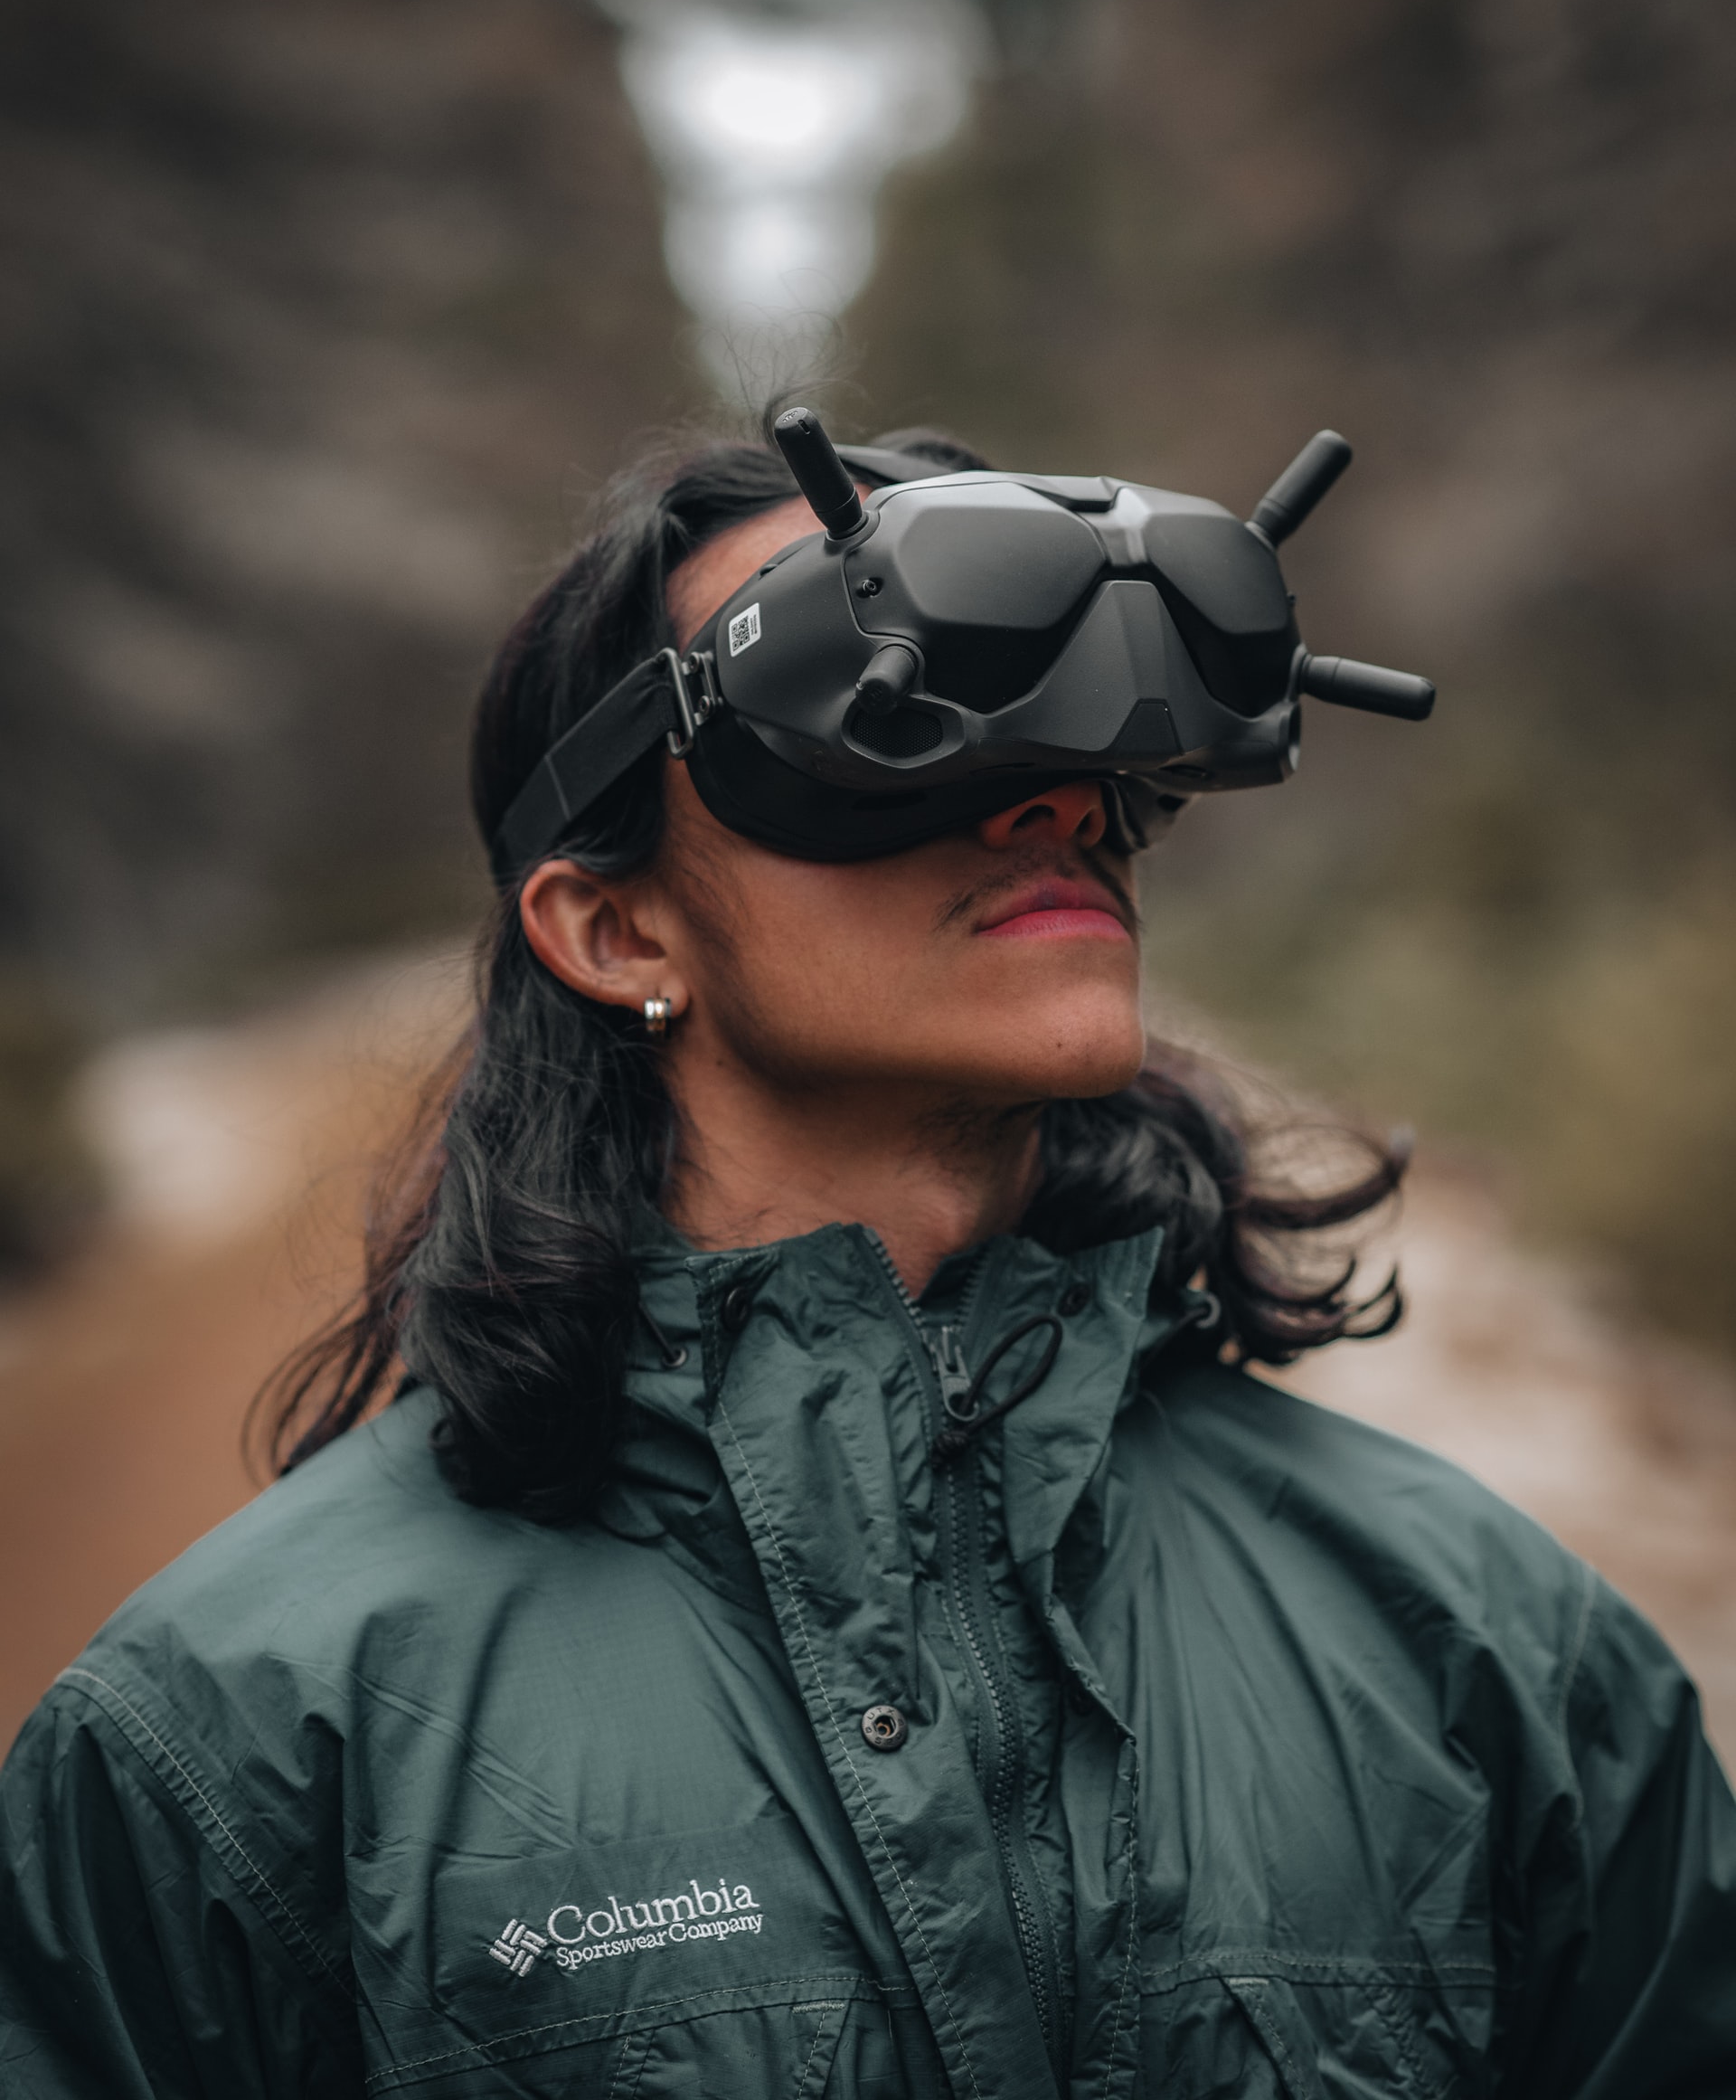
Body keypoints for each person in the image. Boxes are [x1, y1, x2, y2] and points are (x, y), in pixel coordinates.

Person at [1, 420, 1731, 2100]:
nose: (1056, 801)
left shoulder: (1491, 1650)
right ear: (614, 927)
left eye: (1083, 743)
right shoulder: (234, 1746)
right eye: (878, 710)